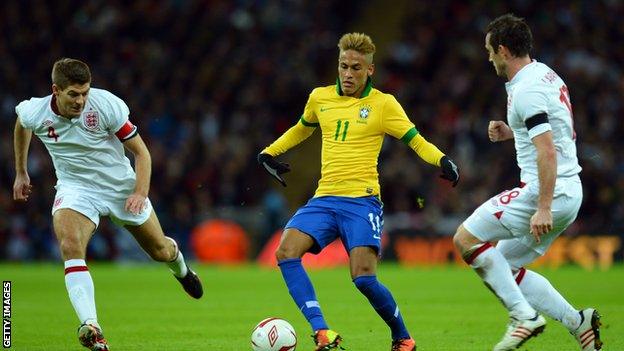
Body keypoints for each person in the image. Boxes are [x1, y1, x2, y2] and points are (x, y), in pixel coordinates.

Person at [258, 33, 459, 351]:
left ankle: (402, 337)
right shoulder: (320, 98)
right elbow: (302, 128)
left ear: (370, 70)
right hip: (324, 199)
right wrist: (269, 153)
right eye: (343, 66)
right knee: (285, 252)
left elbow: (415, 140)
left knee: (364, 278)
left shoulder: (383, 104)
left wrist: (442, 159)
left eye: (355, 67)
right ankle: (321, 331)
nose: (348, 73)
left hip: (361, 202)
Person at [12, 58, 203, 351]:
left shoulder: (105, 106)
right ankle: (92, 327)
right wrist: (21, 171)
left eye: (84, 92)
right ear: (55, 90)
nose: (81, 101)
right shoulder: (35, 110)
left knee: (159, 251)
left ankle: (181, 269)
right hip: (76, 189)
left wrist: (140, 192)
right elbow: (22, 125)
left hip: (120, 188)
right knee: (70, 245)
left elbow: (142, 153)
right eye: (73, 94)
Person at [452, 14, 602, 351]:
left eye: (490, 51)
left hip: (547, 191)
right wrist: (512, 131)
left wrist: (543, 206)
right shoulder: (545, 74)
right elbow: (554, 129)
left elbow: (547, 150)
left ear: (503, 50)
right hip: (568, 189)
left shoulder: (526, 90)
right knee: (504, 265)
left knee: (465, 240)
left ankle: (523, 316)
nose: (488, 57)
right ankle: (578, 323)